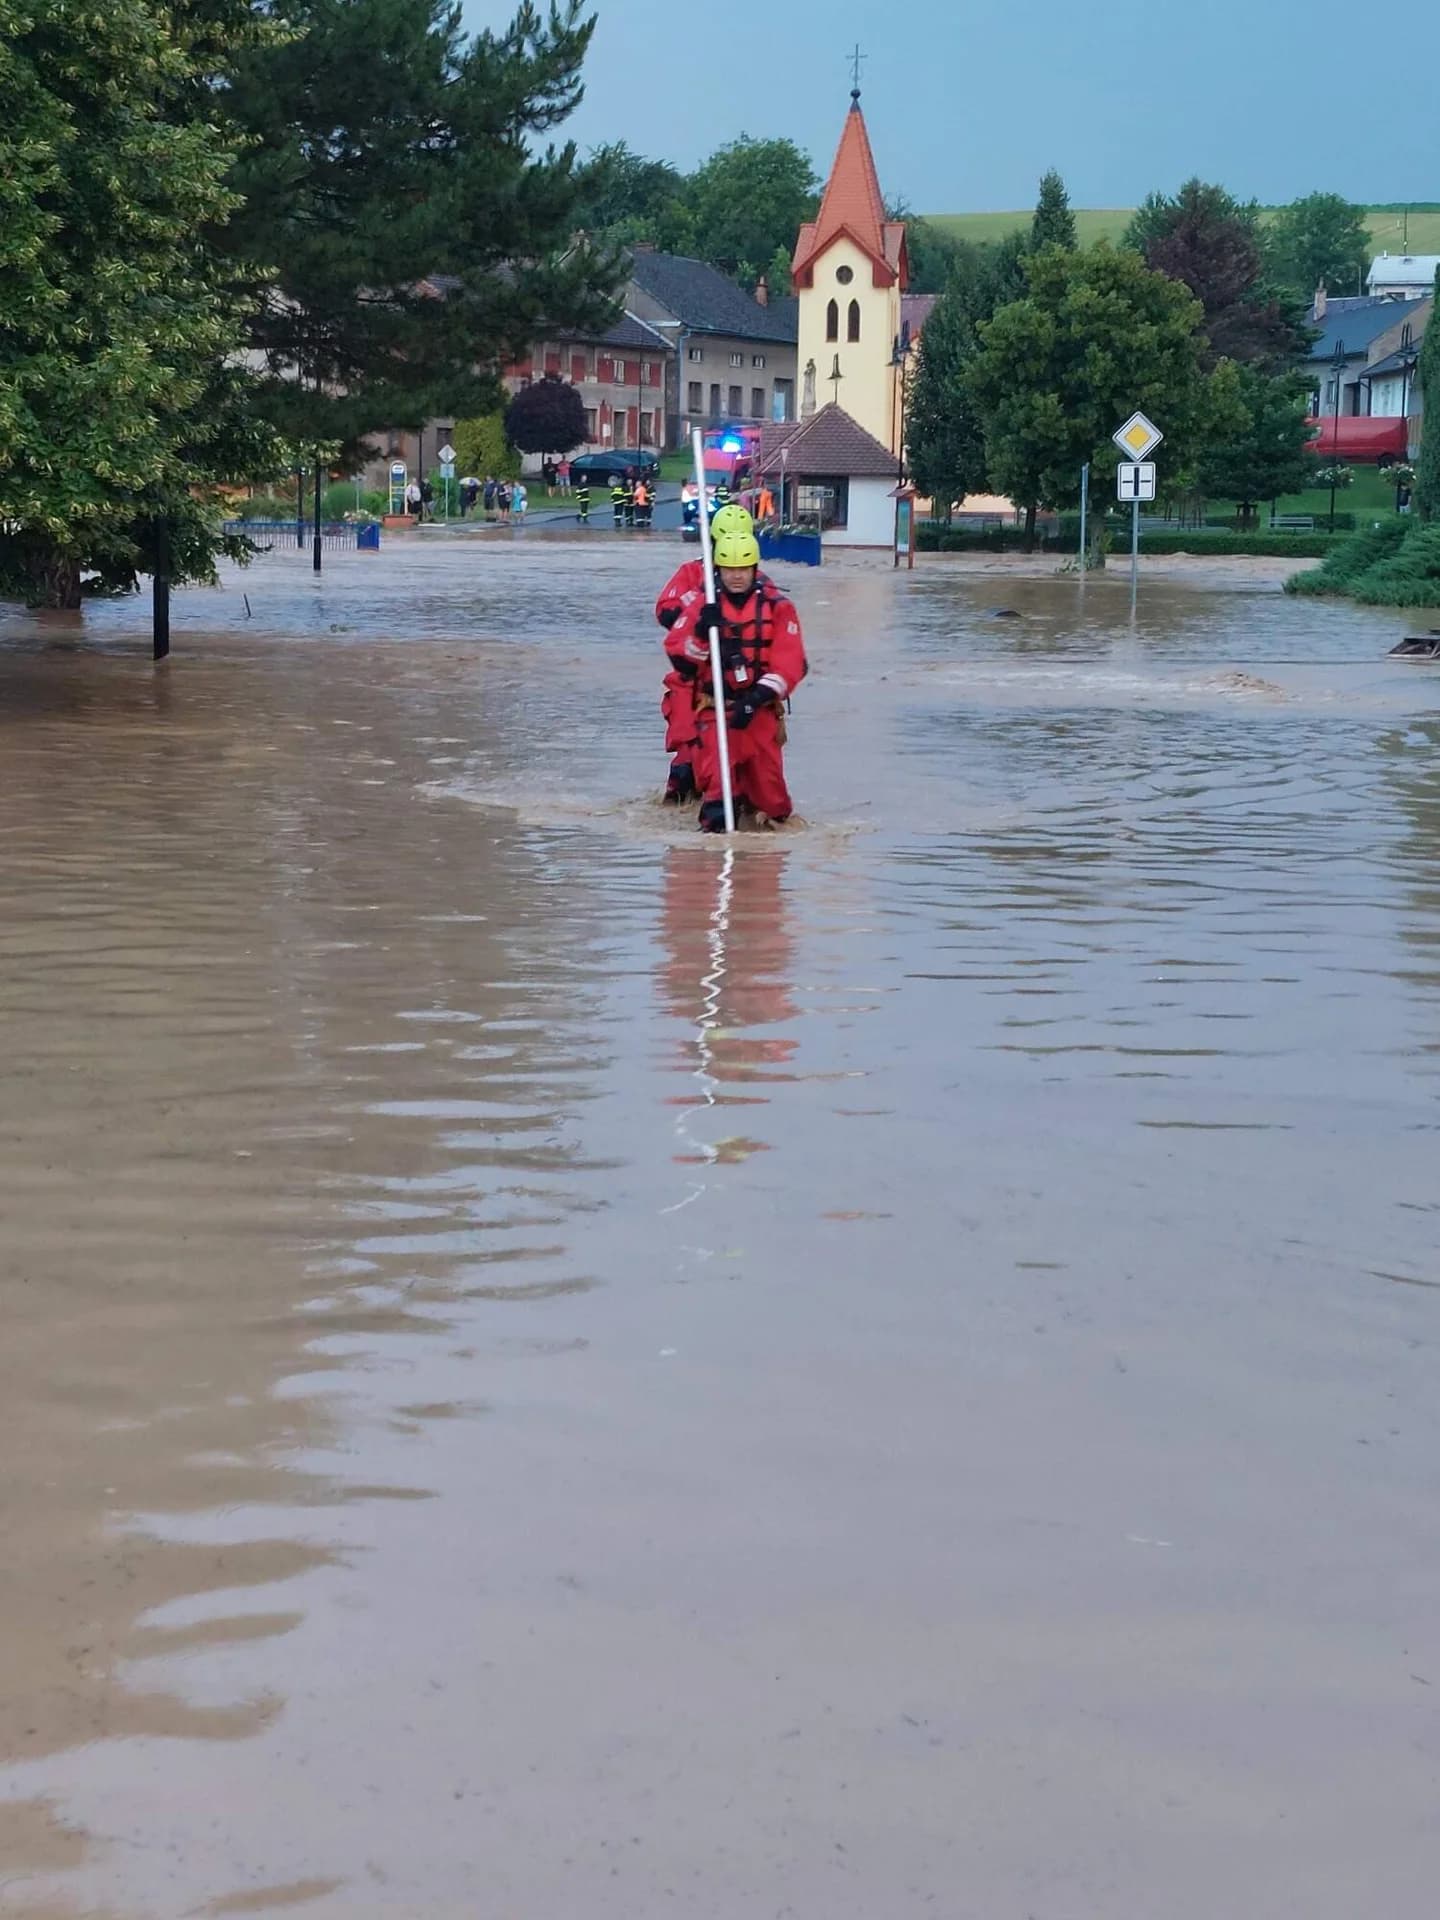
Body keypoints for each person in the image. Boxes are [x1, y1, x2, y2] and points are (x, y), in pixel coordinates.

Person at [662, 513, 803, 827]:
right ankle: (715, 859)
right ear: (718, 568)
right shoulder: (703, 606)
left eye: (742, 569)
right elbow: (680, 657)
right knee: (718, 801)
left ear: (754, 569)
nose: (736, 576)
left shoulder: (777, 607)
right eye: (729, 569)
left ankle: (762, 863)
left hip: (759, 713)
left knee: (774, 805)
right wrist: (700, 631)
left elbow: (791, 663)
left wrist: (754, 700)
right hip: (715, 712)